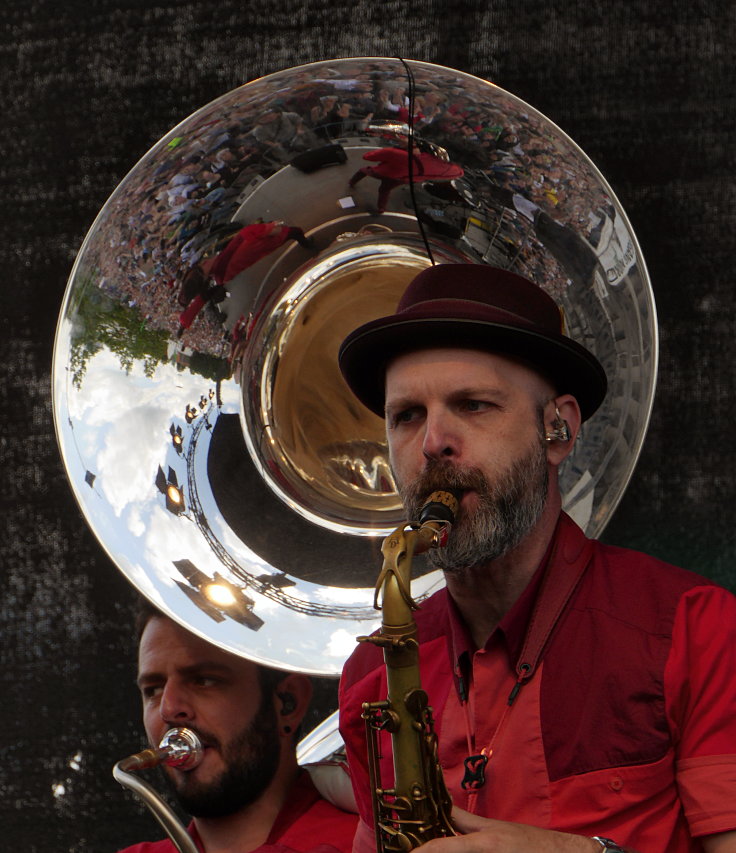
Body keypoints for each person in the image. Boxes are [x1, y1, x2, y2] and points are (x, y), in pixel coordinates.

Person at [336, 264, 736, 853]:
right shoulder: (372, 677)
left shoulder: (697, 631)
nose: (431, 443)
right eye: (407, 415)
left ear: (559, 429)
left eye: (473, 405)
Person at [117, 603, 357, 853]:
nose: (168, 709)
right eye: (153, 689)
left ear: (288, 703)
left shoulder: (361, 845)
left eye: (204, 680)